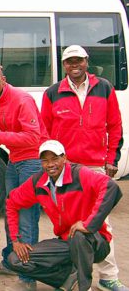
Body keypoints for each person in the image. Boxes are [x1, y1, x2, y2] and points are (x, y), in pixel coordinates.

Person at [41, 45, 126, 291]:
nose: (74, 65)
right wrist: (51, 163)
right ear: (64, 65)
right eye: (69, 61)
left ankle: (108, 276)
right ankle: (75, 277)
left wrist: (112, 158)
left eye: (78, 60)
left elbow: (115, 125)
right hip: (65, 167)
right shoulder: (53, 92)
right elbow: (45, 132)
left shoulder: (104, 87)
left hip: (95, 167)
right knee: (67, 222)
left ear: (87, 61)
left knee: (101, 222)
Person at [5, 140, 123, 291]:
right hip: (66, 241)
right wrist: (15, 240)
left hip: (95, 242)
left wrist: (89, 224)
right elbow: (11, 201)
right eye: (45, 160)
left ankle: (83, 287)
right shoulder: (38, 181)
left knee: (79, 235)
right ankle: (68, 279)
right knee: (15, 260)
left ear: (65, 158)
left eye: (55, 159)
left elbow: (110, 187)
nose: (50, 164)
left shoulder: (79, 173)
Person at [0, 66, 48, 290]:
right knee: (11, 215)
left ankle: (28, 278)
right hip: (14, 161)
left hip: (32, 161)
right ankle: (11, 261)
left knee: (27, 218)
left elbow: (32, 137)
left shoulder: (22, 99)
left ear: (3, 80)